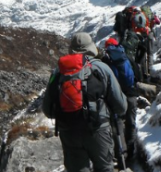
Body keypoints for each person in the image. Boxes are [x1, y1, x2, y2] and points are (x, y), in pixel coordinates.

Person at [42, 32, 127, 172]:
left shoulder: (58, 73)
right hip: (98, 129)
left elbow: (48, 110)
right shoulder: (102, 68)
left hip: (69, 131)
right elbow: (121, 106)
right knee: (105, 168)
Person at [102, 37, 138, 163]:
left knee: (118, 125)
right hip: (131, 94)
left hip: (116, 97)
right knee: (131, 122)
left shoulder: (105, 61)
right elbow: (137, 75)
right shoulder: (126, 57)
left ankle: (122, 155)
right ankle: (132, 151)